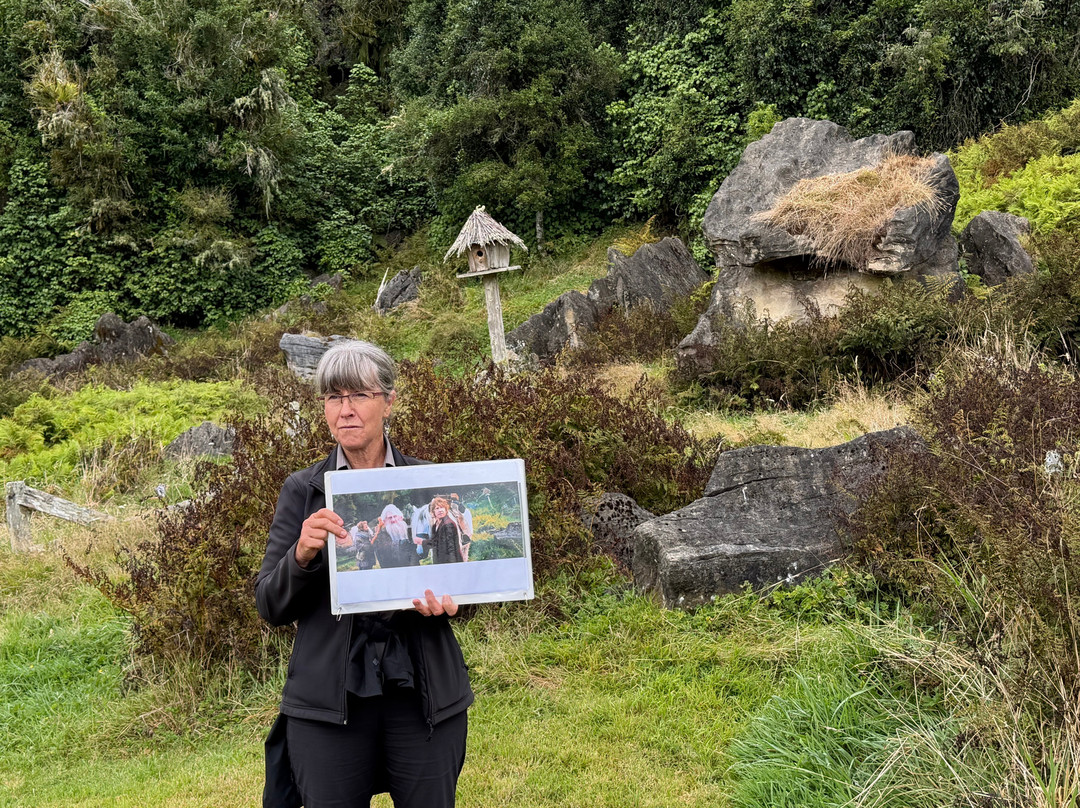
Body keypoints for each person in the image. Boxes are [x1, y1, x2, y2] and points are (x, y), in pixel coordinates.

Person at [255, 340, 472, 808]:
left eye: (359, 395)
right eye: (334, 397)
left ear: (389, 401)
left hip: (422, 693)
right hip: (329, 704)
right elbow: (270, 605)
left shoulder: (428, 480)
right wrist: (301, 556)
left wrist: (455, 599)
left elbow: (464, 591)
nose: (345, 410)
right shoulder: (303, 490)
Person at [418, 496, 469, 564]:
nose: (440, 510)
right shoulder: (436, 525)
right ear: (433, 512)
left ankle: (463, 534)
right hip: (440, 560)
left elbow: (451, 550)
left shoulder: (448, 524)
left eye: (442, 507)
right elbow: (435, 542)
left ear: (446, 510)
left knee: (456, 513)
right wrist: (422, 542)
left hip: (449, 562)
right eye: (437, 508)